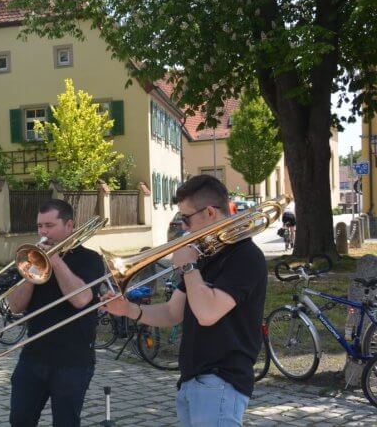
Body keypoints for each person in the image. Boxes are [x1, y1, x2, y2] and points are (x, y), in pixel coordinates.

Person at [101, 175, 268, 426]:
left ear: (210, 212)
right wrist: (127, 309)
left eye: (186, 218)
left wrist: (189, 267)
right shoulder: (205, 256)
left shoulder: (245, 256)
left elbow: (207, 312)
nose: (184, 227)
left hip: (221, 380)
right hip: (193, 379)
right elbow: (172, 312)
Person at [6, 199, 105, 427]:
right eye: (40, 226)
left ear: (69, 226)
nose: (43, 232)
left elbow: (81, 300)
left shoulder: (89, 259)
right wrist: (32, 273)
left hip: (73, 359)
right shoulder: (30, 258)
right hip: (34, 356)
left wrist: (55, 261)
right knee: (19, 419)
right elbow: (16, 306)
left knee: (66, 423)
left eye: (49, 226)